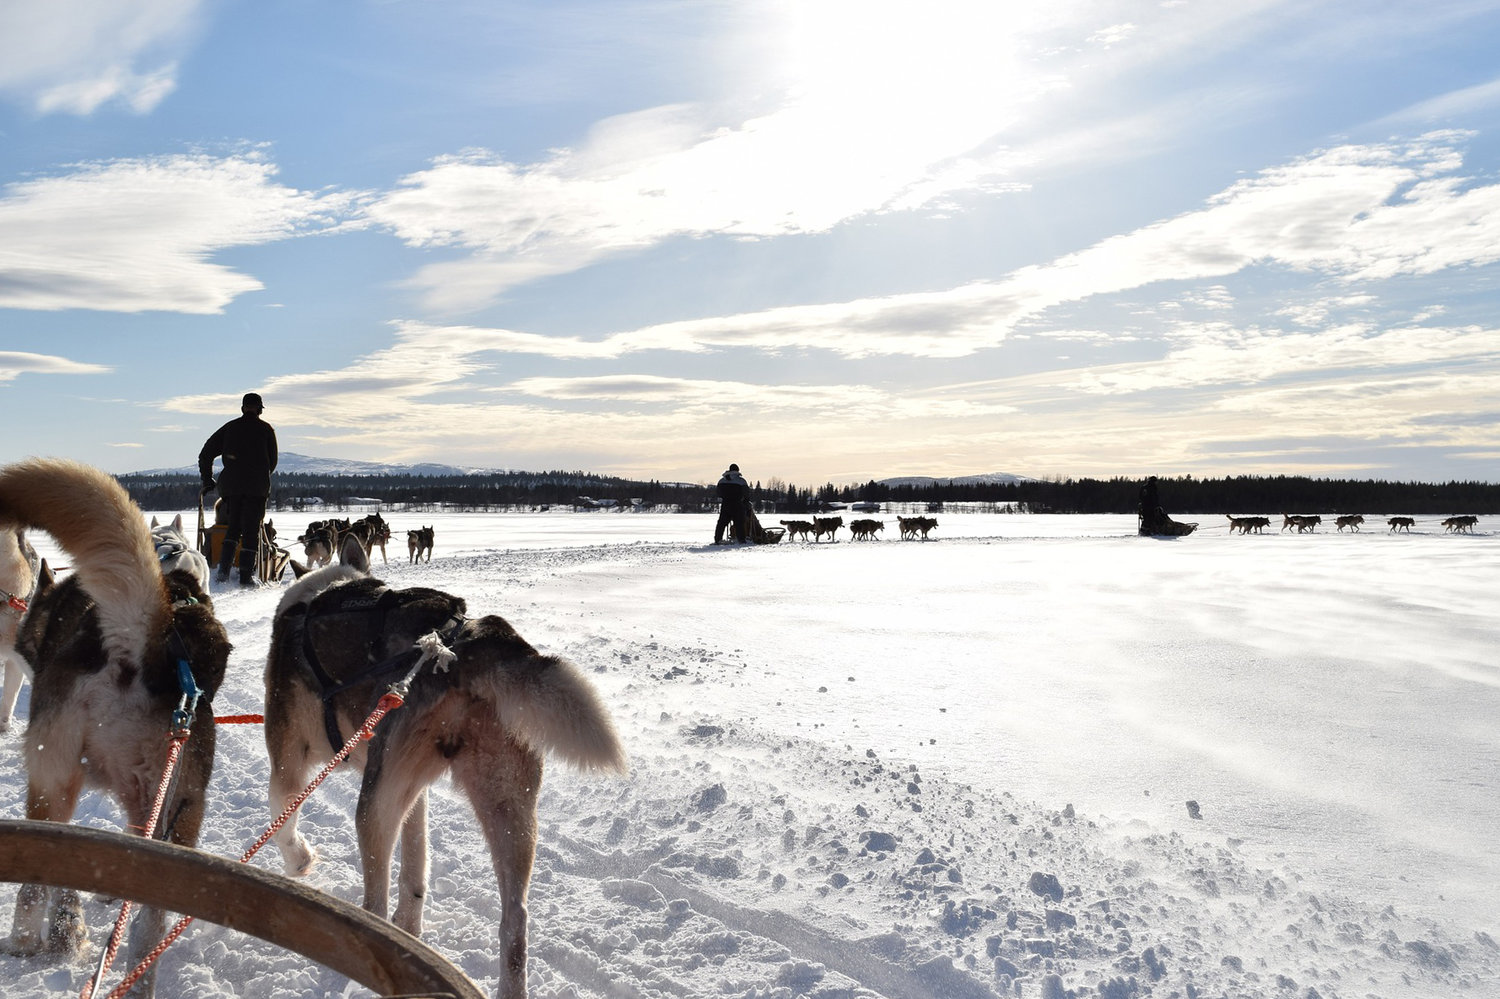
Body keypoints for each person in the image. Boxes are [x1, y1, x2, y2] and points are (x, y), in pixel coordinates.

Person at [199, 392, 278, 584]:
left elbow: (206, 454)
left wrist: (208, 479)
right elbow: (272, 462)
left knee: (233, 527)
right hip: (256, 488)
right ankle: (245, 576)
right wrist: (259, 474)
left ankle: (223, 572)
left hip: (232, 488)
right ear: (259, 409)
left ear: (243, 408)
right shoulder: (266, 430)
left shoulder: (230, 428)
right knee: (251, 531)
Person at [713, 463, 751, 544]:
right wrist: (746, 502)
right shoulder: (741, 481)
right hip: (737, 504)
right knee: (739, 523)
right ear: (737, 470)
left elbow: (718, 493)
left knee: (722, 523)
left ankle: (717, 539)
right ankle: (741, 540)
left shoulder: (722, 480)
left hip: (725, 504)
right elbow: (746, 493)